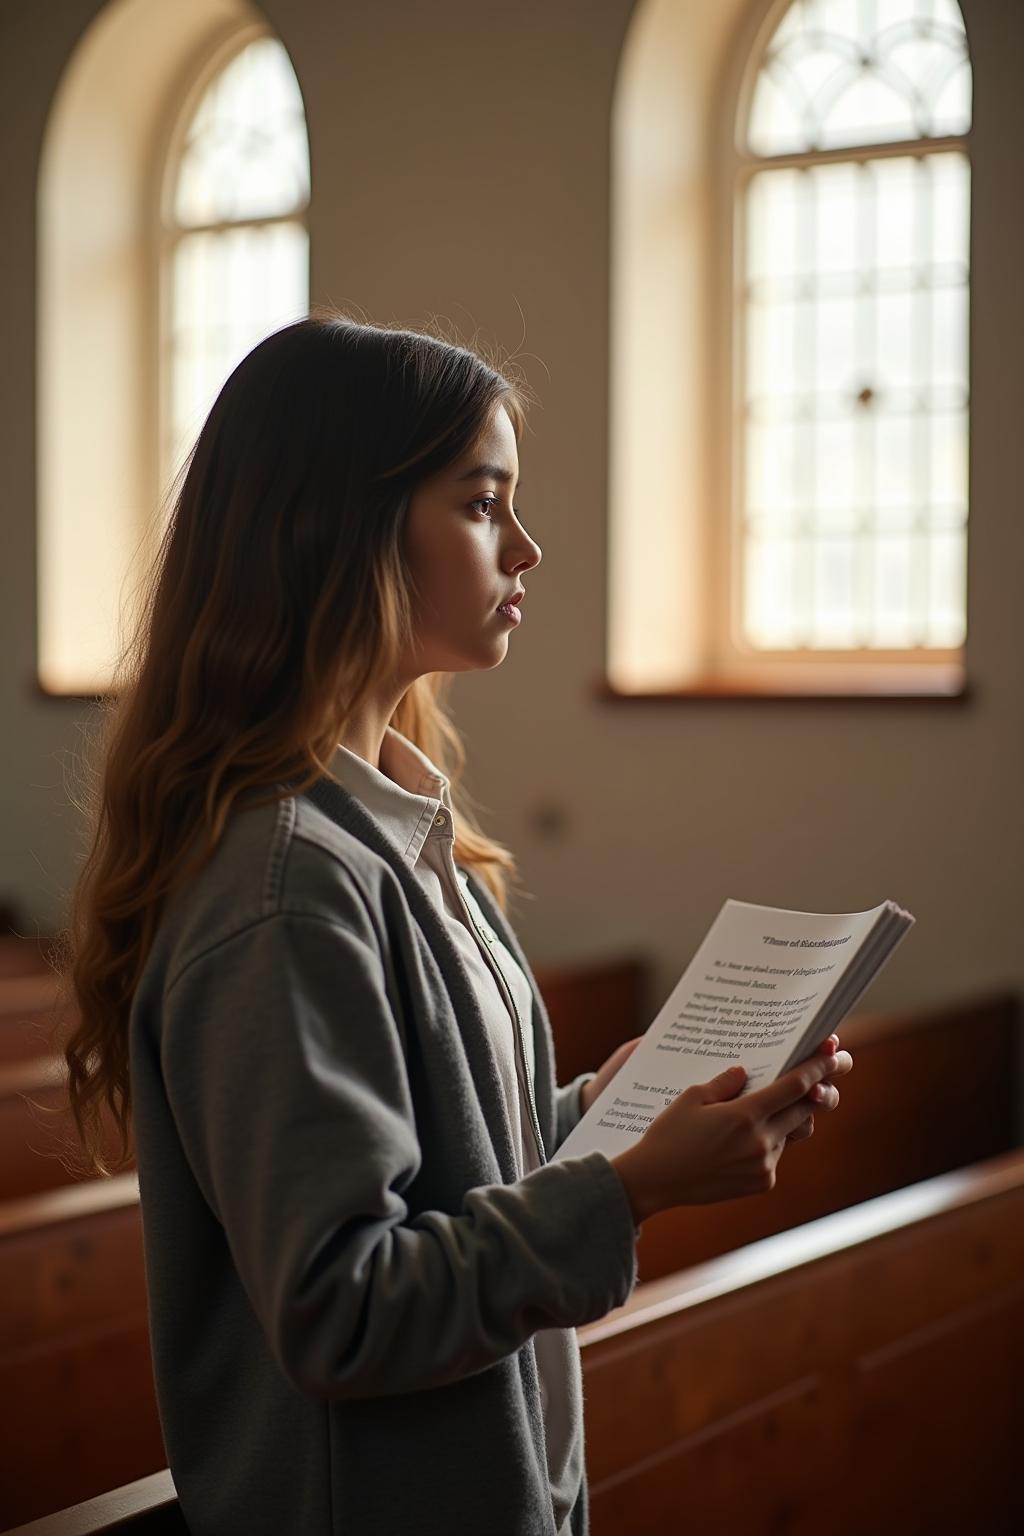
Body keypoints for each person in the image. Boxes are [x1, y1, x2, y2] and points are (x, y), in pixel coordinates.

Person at [62, 314, 851, 1536]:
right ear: (341, 529)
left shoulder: (393, 830)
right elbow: (347, 1305)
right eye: (484, 506)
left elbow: (440, 1166)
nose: (527, 549)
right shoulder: (283, 888)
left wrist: (601, 1118)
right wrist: (626, 1193)